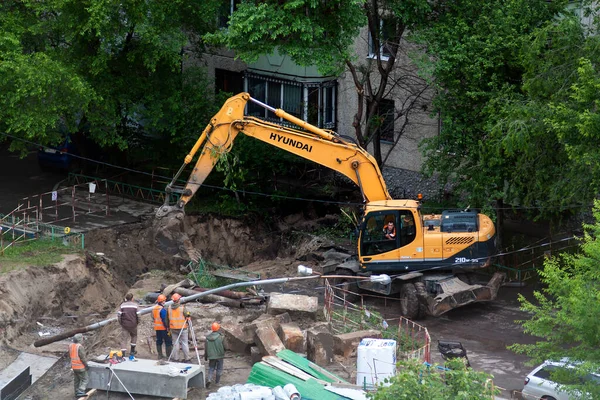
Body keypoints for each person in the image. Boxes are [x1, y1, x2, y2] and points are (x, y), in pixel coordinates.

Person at [166, 293, 191, 362]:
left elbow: (167, 319)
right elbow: (187, 315)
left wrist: (168, 327)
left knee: (175, 343)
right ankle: (187, 358)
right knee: (184, 343)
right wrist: (188, 315)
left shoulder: (169, 308)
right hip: (183, 328)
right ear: (178, 300)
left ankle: (176, 358)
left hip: (173, 328)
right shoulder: (182, 308)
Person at [117, 292, 139, 358]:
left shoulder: (122, 305)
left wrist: (121, 323)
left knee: (124, 339)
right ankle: (132, 351)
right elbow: (139, 315)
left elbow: (119, 316)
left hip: (125, 325)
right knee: (134, 336)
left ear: (126, 298)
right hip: (133, 324)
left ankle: (123, 354)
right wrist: (137, 322)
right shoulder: (135, 305)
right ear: (132, 298)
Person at [205, 322, 225, 388]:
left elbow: (206, 348)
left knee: (211, 368)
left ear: (212, 329)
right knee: (219, 369)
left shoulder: (207, 338)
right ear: (218, 328)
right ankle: (217, 382)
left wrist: (206, 356)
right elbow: (224, 346)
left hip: (212, 356)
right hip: (219, 356)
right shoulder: (221, 337)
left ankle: (209, 379)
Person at [152, 294, 172, 360]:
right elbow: (164, 320)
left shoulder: (154, 308)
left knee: (159, 341)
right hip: (163, 328)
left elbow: (153, 317)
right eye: (164, 301)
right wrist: (168, 327)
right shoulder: (162, 310)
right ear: (162, 301)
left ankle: (160, 355)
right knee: (168, 342)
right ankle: (168, 356)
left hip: (157, 328)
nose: (165, 302)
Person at [69, 333, 89, 397]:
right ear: (80, 339)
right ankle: (81, 391)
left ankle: (76, 393)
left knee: (76, 380)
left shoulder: (71, 345)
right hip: (80, 367)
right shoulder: (79, 347)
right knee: (85, 379)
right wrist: (86, 365)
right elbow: (83, 358)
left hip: (74, 366)